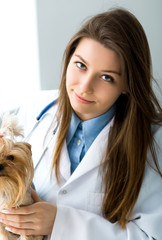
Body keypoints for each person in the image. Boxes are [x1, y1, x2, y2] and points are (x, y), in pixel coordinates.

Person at [0, 7, 162, 240]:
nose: (85, 86)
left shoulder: (153, 144)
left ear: (128, 84)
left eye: (107, 77)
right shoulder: (36, 111)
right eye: (81, 65)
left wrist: (61, 224)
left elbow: (152, 236)